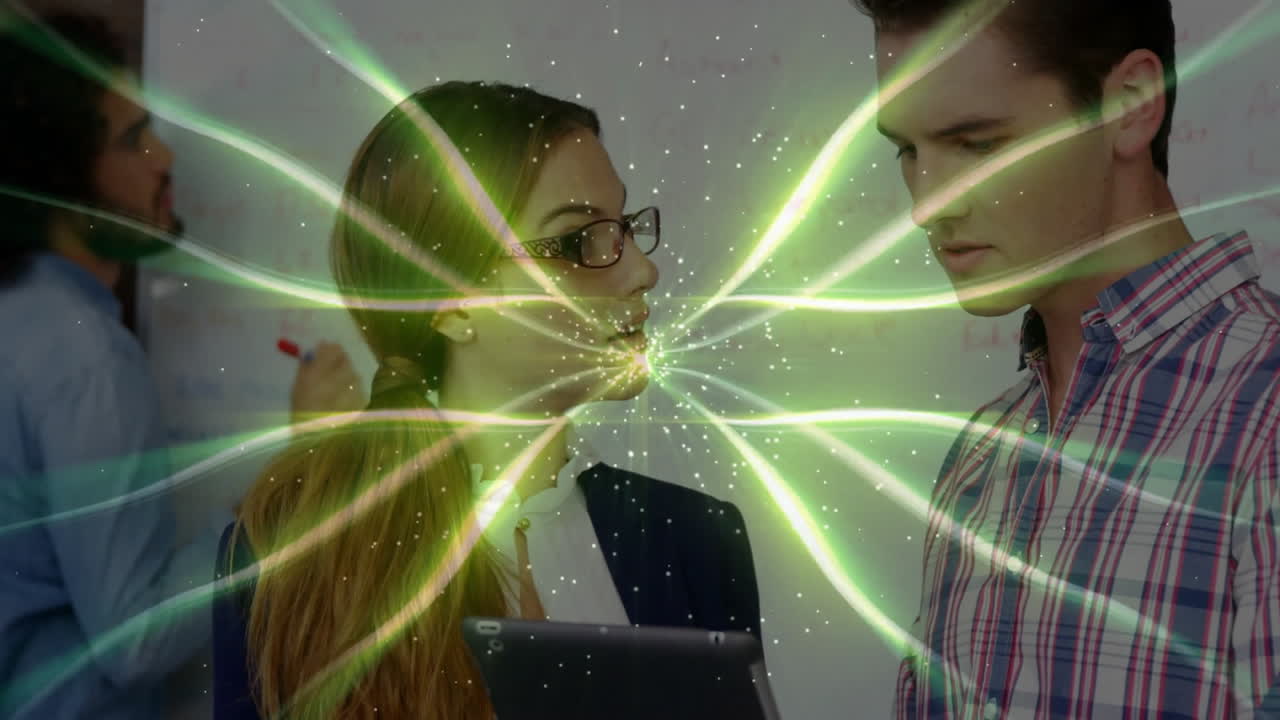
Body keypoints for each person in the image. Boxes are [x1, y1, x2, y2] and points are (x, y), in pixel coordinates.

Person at [212, 80, 762, 720]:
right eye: (580, 241)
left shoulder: (696, 539)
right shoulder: (287, 557)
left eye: (627, 228)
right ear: (450, 304)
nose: (642, 271)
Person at [854, 0, 1280, 717]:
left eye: (978, 144)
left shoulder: (1266, 415)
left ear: (1131, 104)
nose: (929, 205)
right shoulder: (980, 457)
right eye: (909, 151)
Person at [0, 13, 363, 719]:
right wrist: (296, 471)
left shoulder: (20, 315)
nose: (163, 156)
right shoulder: (84, 356)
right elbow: (134, 639)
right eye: (133, 137)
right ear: (63, 174)